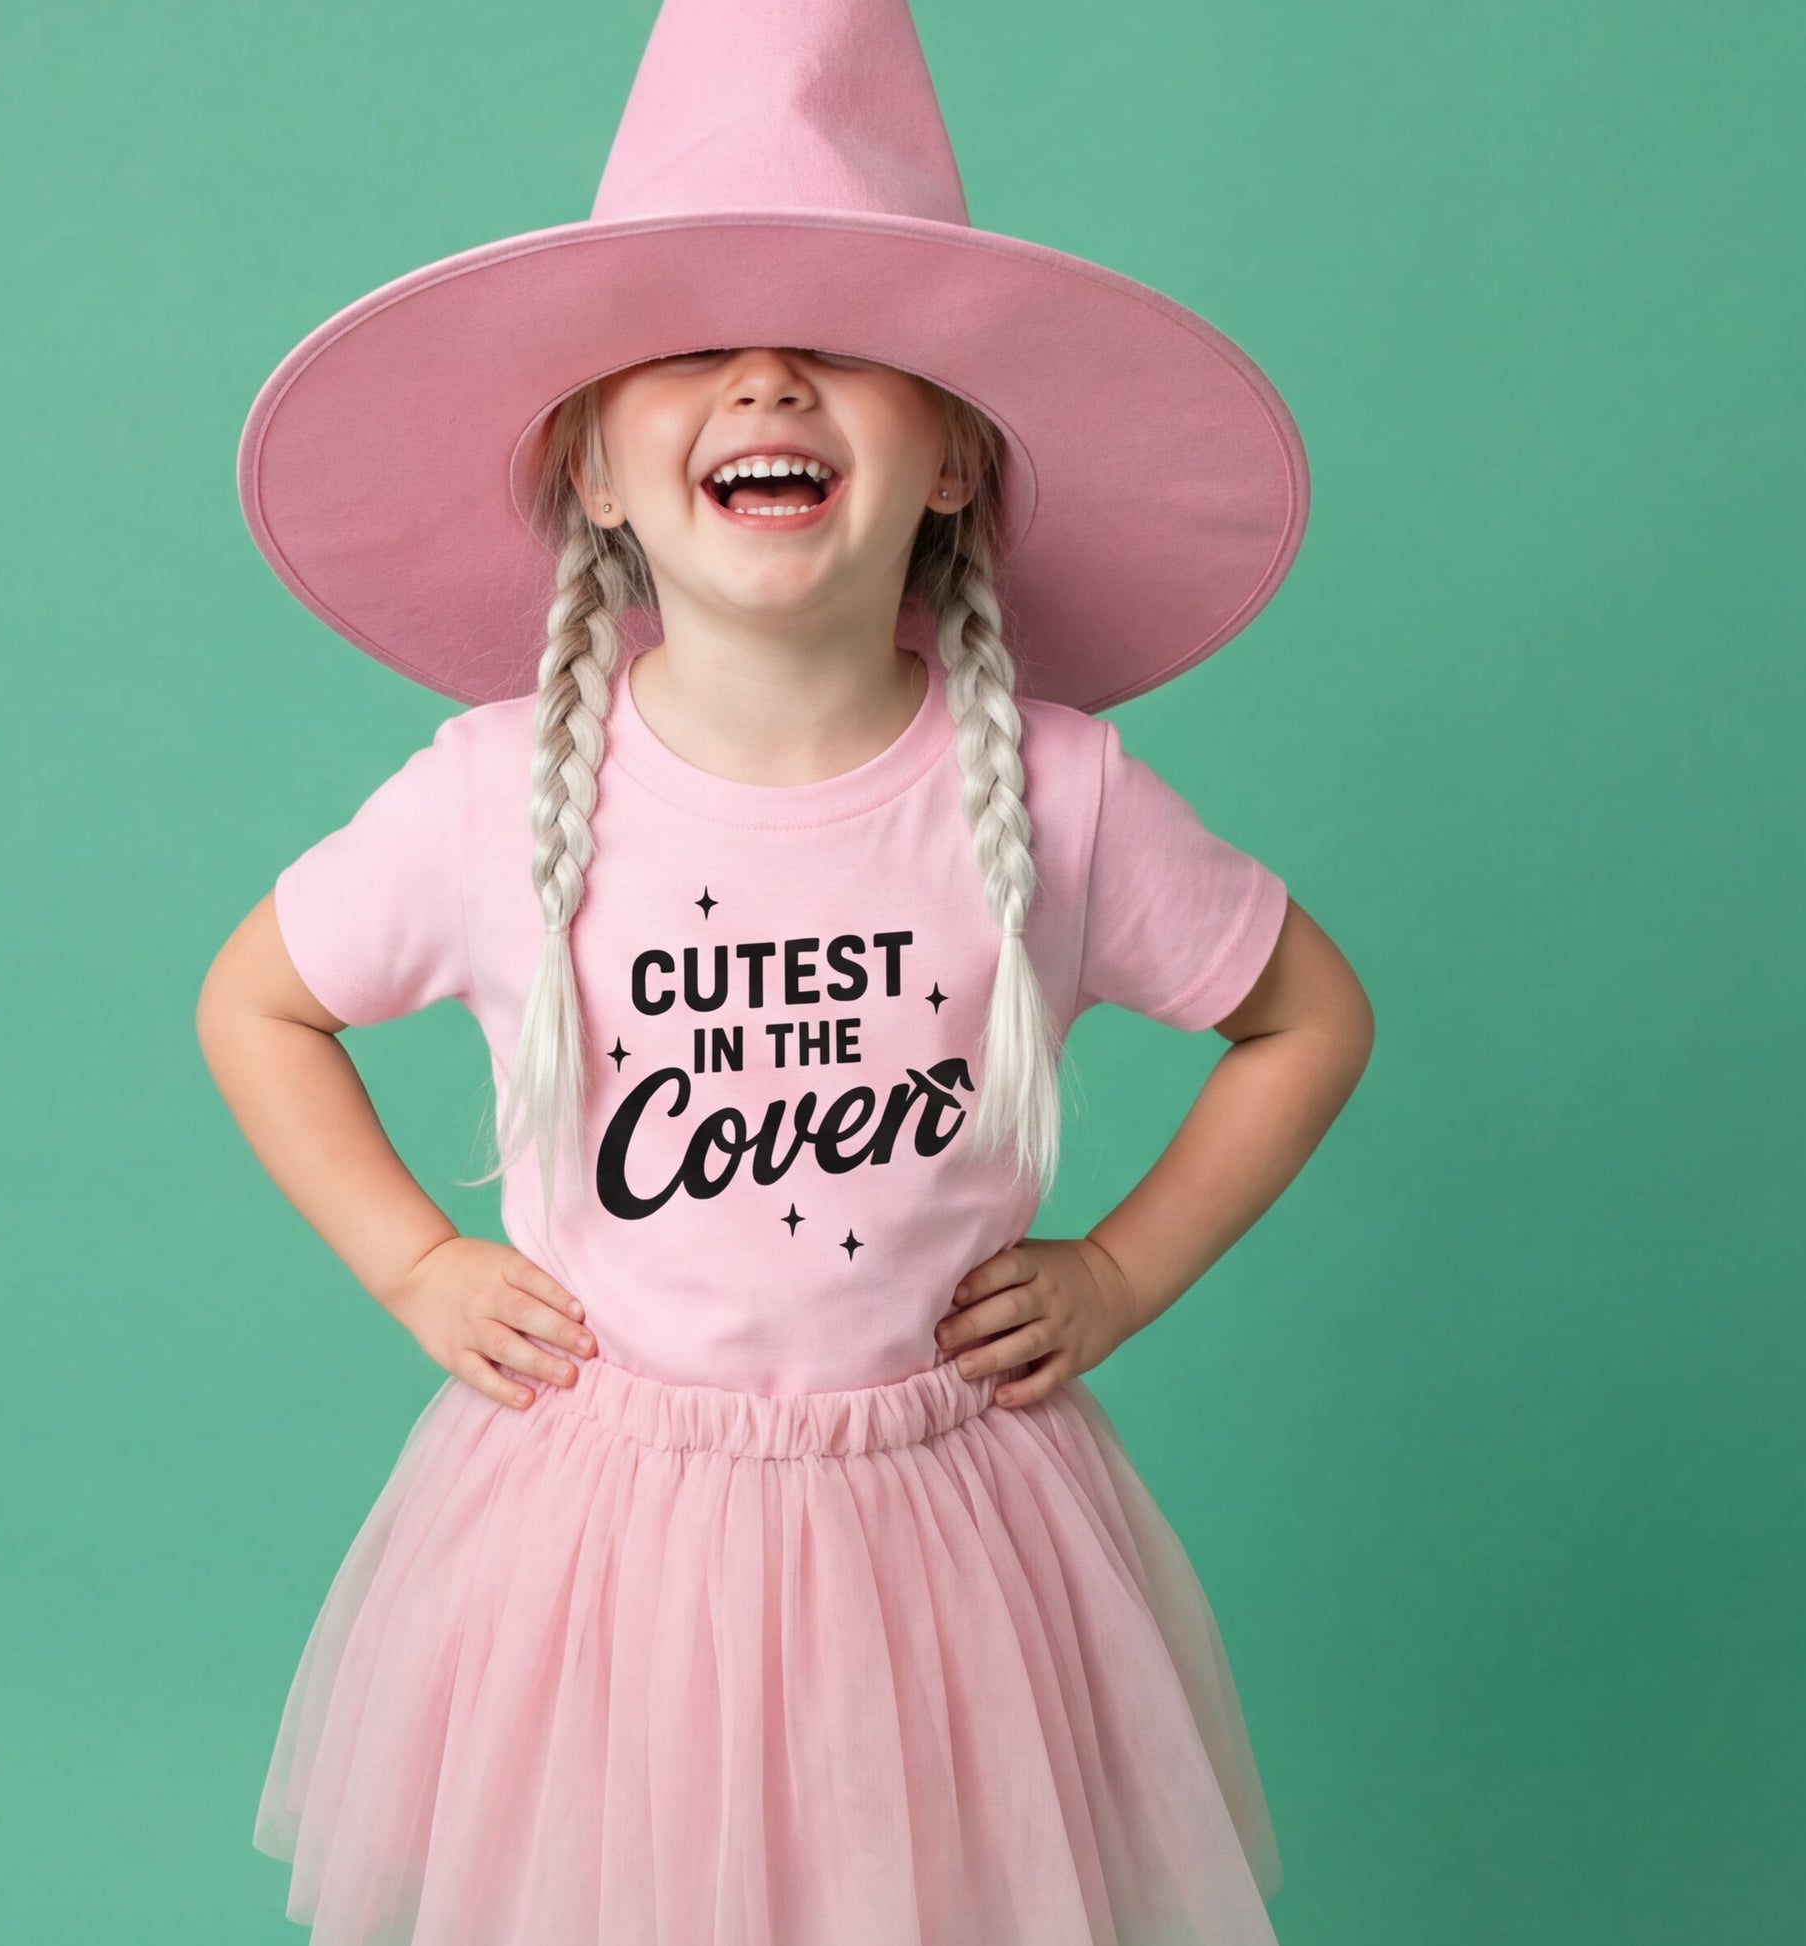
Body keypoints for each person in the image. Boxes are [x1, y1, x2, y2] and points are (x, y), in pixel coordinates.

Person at [197, 4, 1374, 1942]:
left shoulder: (1055, 793)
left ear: (953, 470)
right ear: (590, 472)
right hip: (607, 1545)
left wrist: (1119, 1270)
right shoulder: (497, 793)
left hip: (950, 1538)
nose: (765, 377)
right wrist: (416, 1262)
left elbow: (1302, 1015)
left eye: (844, 347)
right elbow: (258, 1002)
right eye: (691, 348)